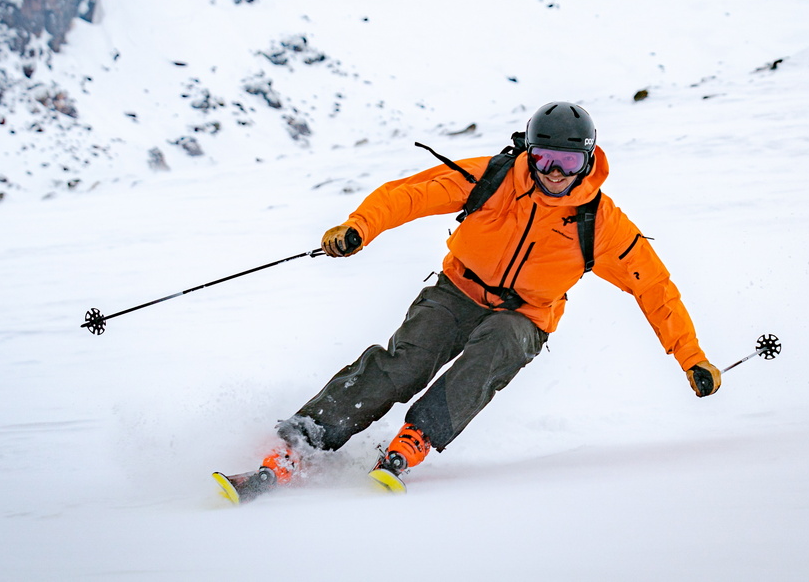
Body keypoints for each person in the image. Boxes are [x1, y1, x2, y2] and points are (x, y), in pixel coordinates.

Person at [213, 101, 720, 502]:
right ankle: (300, 443)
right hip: (457, 290)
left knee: (499, 342)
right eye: (545, 158)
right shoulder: (494, 178)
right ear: (529, 152)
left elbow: (654, 288)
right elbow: (410, 194)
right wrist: (358, 228)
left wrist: (692, 359)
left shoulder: (600, 224)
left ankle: (415, 439)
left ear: (588, 160)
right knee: (405, 363)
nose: (555, 172)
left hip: (525, 314)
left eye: (568, 162)